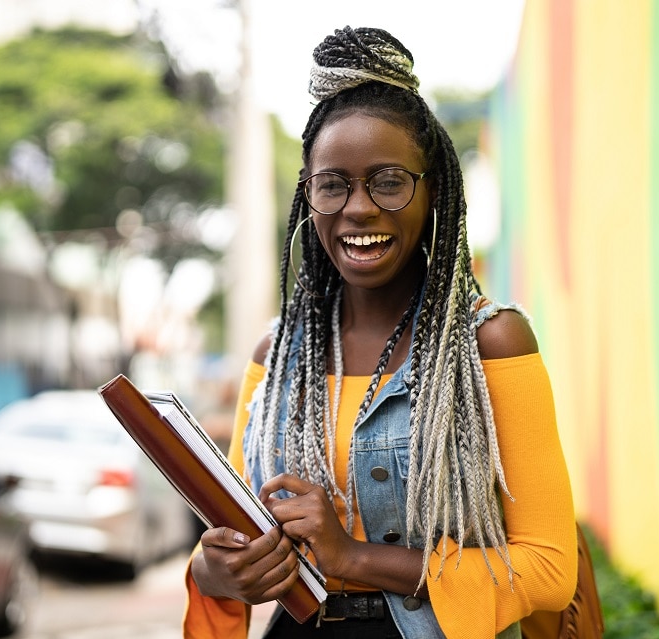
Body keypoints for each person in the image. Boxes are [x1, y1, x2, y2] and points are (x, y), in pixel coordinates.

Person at [184, 26, 577, 639]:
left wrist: (354, 558)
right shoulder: (276, 356)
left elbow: (551, 568)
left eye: (388, 181)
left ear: (435, 190)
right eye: (333, 184)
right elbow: (229, 536)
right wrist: (218, 571)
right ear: (309, 196)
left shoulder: (490, 343)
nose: (358, 208)